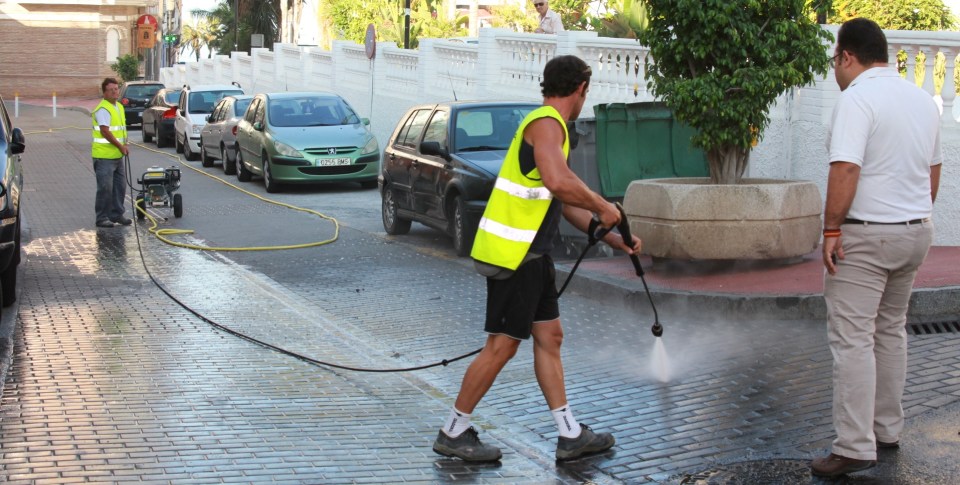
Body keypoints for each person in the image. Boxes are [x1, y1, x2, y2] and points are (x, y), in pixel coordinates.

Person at [432, 55, 641, 463]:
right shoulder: (546, 125)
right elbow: (558, 181)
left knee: (550, 337)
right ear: (581, 88)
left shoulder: (549, 127)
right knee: (501, 347)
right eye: (587, 90)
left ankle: (570, 435)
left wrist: (612, 238)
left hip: (533, 255)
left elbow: (561, 200)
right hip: (515, 256)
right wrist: (603, 205)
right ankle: (453, 431)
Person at [812, 18, 941, 478]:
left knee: (852, 339)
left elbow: (845, 168)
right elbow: (933, 171)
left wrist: (830, 230)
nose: (835, 70)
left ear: (847, 55)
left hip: (866, 237)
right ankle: (886, 429)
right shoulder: (922, 100)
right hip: (915, 232)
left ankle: (853, 445)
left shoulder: (858, 98)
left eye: (835, 61)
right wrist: (914, 212)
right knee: (890, 330)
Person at [92, 77, 132, 228]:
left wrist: (125, 144)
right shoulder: (103, 109)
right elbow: (105, 132)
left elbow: (121, 129)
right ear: (105, 93)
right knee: (105, 188)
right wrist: (120, 146)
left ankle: (116, 214)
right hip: (103, 156)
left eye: (116, 89)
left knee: (120, 187)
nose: (115, 92)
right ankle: (101, 218)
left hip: (117, 156)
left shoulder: (119, 107)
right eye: (111, 90)